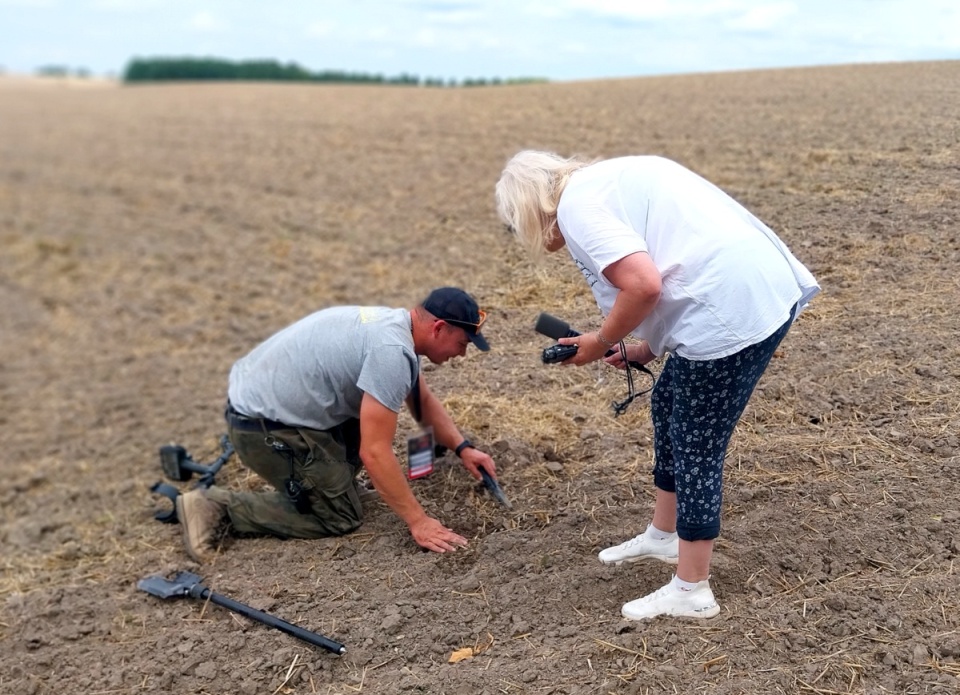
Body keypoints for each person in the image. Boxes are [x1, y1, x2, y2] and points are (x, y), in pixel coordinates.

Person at [495, 150, 819, 621]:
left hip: (732, 310)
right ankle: (664, 536)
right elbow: (673, 260)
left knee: (696, 441)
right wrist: (644, 349)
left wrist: (600, 340)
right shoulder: (606, 181)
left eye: (516, 224)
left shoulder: (576, 207)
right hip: (745, 289)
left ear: (532, 208)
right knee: (667, 402)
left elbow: (644, 285)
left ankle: (692, 589)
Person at [175, 287, 498, 562]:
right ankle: (216, 505)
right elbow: (374, 452)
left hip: (272, 407)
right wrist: (419, 521)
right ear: (439, 328)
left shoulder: (397, 328)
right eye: (462, 344)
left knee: (375, 417)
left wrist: (463, 448)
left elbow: (421, 401)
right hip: (260, 428)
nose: (463, 354)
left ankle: (328, 484)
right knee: (339, 515)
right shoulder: (390, 352)